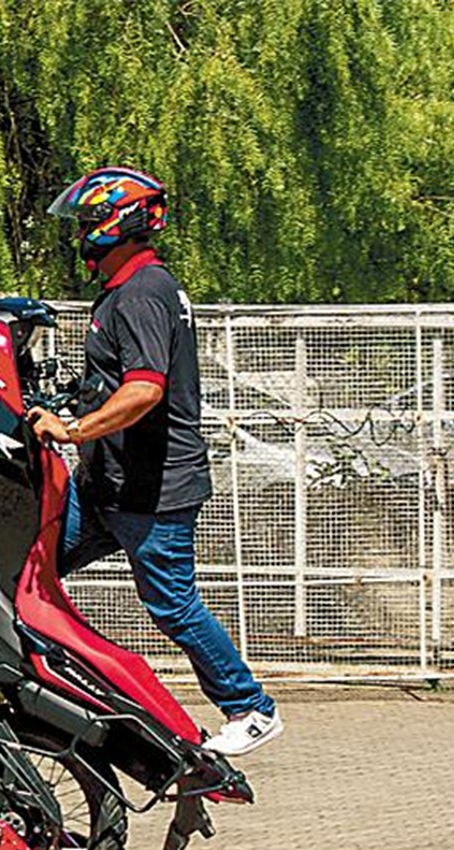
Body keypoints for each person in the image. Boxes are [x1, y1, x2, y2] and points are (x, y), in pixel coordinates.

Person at [28, 166, 282, 756]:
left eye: (89, 223)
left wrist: (72, 430)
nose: (82, 236)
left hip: (153, 491)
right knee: (33, 568)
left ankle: (251, 708)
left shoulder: (142, 293)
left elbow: (145, 389)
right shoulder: (132, 291)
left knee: (172, 602)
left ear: (122, 225)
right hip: (110, 487)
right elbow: (114, 379)